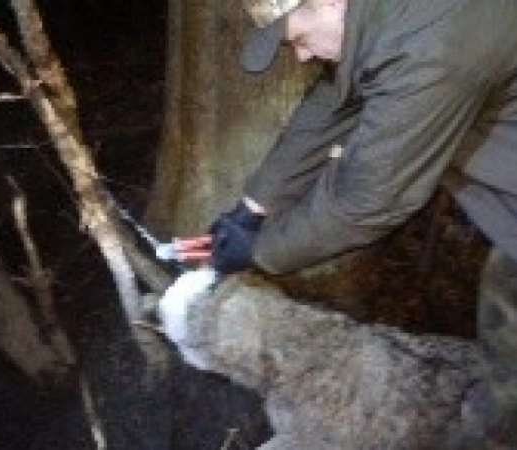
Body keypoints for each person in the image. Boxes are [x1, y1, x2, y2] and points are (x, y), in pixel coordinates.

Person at [177, 0, 517, 447]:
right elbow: (333, 105)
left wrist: (258, 252)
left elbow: (370, 199)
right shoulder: (388, 20)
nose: (299, 55)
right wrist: (252, 208)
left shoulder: (429, 52)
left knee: (504, 376)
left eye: (298, 36)